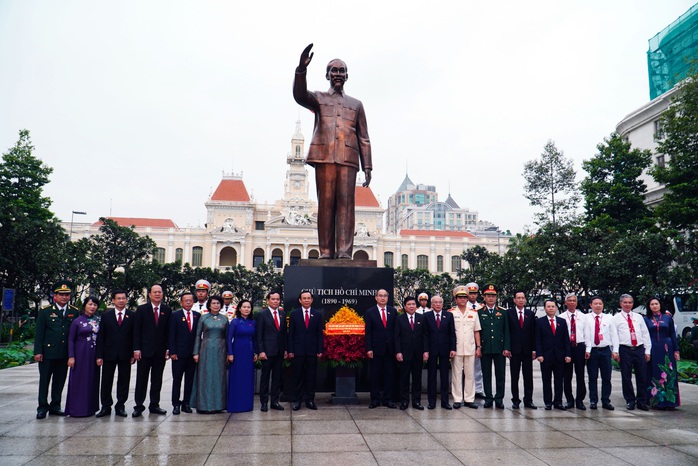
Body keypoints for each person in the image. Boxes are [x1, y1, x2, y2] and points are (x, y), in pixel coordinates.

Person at [293, 43, 372, 259]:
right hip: (324, 156)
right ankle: (326, 252)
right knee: (326, 204)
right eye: (334, 70)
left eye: (341, 71)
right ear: (327, 75)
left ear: (347, 75)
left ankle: (345, 252)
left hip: (348, 159)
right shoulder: (319, 98)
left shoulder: (356, 104)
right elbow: (299, 95)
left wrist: (368, 166)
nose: (338, 74)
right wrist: (301, 69)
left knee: (346, 205)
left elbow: (363, 137)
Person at [33, 281, 78, 419]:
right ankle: (42, 407)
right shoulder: (45, 311)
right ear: (55, 296)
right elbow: (39, 333)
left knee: (59, 380)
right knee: (45, 380)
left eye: (67, 295)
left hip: (64, 353)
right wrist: (37, 351)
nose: (64, 297)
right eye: (61, 294)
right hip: (48, 353)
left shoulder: (73, 311)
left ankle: (55, 405)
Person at [132, 284, 172, 417]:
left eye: (159, 292)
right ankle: (138, 405)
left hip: (160, 352)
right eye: (154, 292)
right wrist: (136, 348)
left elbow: (168, 332)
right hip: (144, 351)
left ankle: (154, 404)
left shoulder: (167, 310)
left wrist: (168, 348)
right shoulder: (142, 309)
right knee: (141, 379)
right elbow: (136, 331)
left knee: (157, 379)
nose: (157, 294)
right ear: (149, 294)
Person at [96, 289, 136, 418]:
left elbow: (134, 336)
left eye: (123, 298)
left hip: (125, 354)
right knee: (106, 381)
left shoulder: (132, 315)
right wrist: (99, 355)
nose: (121, 300)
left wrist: (133, 353)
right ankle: (106, 406)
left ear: (126, 300)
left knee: (124, 381)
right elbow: (101, 336)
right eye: (118, 298)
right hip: (109, 353)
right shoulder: (106, 316)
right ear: (113, 300)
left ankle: (120, 406)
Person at [612, 294, 652, 411]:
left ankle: (642, 401)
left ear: (632, 304)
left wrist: (647, 350)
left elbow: (645, 334)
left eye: (630, 302)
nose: (627, 304)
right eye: (625, 302)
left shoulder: (639, 317)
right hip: (625, 350)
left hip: (639, 349)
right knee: (626, 376)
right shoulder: (616, 318)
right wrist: (615, 351)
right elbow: (614, 335)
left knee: (642, 376)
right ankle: (630, 400)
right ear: (621, 304)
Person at [191, 295, 229, 413]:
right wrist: (196, 352)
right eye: (213, 303)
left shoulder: (225, 319)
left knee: (219, 377)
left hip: (220, 349)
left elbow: (227, 337)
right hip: (206, 348)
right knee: (205, 376)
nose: (216, 305)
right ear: (209, 305)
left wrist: (228, 353)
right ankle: (204, 405)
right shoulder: (203, 318)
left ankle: (219, 405)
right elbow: (197, 335)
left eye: (218, 303)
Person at [65, 296, 100, 417]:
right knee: (79, 381)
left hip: (94, 355)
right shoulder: (77, 321)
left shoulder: (98, 320)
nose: (92, 307)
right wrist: (71, 356)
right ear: (85, 305)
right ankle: (77, 409)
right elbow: (71, 339)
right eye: (90, 304)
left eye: (95, 305)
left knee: (92, 380)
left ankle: (90, 408)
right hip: (80, 355)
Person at [288, 291, 324, 411]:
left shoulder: (317, 314)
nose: (306, 300)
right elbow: (291, 334)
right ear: (300, 300)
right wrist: (290, 350)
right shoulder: (294, 314)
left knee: (311, 377)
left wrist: (320, 349)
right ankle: (297, 400)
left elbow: (320, 334)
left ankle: (310, 400)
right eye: (304, 298)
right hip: (297, 351)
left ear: (312, 300)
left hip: (312, 351)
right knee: (297, 376)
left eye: (309, 298)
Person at [477, 284, 511, 409]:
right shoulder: (479, 313)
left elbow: (507, 331)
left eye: (493, 296)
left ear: (496, 297)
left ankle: (499, 398)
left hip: (499, 348)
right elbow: (477, 331)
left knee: (500, 374)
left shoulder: (502, 312)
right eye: (488, 296)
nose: (491, 298)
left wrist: (506, 347)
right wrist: (478, 347)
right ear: (484, 297)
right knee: (486, 374)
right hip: (485, 348)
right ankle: (488, 398)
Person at [644, 297, 680, 409]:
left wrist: (676, 350)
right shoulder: (646, 319)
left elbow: (673, 335)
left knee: (668, 371)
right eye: (652, 304)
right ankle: (655, 401)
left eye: (656, 304)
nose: (654, 306)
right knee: (653, 371)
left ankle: (670, 401)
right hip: (653, 347)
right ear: (649, 307)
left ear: (660, 305)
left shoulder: (667, 318)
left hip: (667, 348)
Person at [536, 299, 572, 410]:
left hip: (559, 356)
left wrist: (568, 354)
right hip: (546, 356)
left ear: (556, 308)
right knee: (546, 380)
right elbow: (538, 340)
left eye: (553, 306)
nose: (551, 308)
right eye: (548, 306)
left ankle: (558, 402)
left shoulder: (562, 321)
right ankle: (548, 402)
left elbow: (566, 339)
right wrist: (539, 354)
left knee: (559, 380)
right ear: (545, 308)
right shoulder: (540, 322)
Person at [169, 292, 201, 414]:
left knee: (189, 380)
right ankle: (176, 404)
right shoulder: (175, 315)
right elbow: (171, 335)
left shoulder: (197, 316)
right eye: (185, 300)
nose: (188, 302)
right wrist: (172, 351)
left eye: (190, 300)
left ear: (193, 302)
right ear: (181, 302)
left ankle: (186, 403)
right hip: (178, 354)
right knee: (177, 380)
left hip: (192, 354)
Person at [450, 286, 482, 409]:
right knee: (456, 374)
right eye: (460, 297)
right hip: (456, 348)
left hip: (470, 347)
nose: (463, 299)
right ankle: (457, 399)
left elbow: (476, 331)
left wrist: (478, 347)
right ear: (456, 299)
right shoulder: (451, 313)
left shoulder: (473, 313)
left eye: (465, 297)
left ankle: (469, 399)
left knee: (470, 374)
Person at [365, 289, 398, 408]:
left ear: (388, 298)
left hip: (390, 349)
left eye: (385, 296)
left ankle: (388, 399)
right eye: (380, 296)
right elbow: (368, 332)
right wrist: (369, 348)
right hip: (376, 349)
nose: (383, 298)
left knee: (389, 375)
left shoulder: (393, 311)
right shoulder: (370, 312)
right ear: (376, 297)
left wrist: (396, 349)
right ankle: (375, 399)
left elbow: (396, 331)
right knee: (375, 375)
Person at [394, 296, 429, 410]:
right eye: (409, 304)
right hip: (404, 354)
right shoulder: (399, 319)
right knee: (404, 378)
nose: (411, 306)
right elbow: (397, 337)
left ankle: (416, 401)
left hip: (418, 353)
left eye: (413, 304)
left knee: (417, 379)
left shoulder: (421, 318)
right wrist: (398, 352)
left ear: (416, 305)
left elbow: (425, 336)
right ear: (405, 306)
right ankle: (404, 401)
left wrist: (425, 351)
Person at [256, 290, 287, 411]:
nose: (275, 301)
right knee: (265, 378)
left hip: (279, 351)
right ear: (268, 300)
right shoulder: (262, 314)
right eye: (273, 299)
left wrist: (285, 349)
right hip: (267, 352)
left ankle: (275, 401)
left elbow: (284, 334)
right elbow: (259, 334)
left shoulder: (282, 314)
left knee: (277, 378)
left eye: (278, 299)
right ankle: (264, 402)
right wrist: (261, 351)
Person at [584, 296, 617, 410]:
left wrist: (615, 350)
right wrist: (587, 350)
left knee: (606, 377)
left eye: (600, 303)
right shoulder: (586, 318)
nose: (598, 305)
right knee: (592, 377)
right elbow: (586, 335)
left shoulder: (609, 318)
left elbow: (614, 335)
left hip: (605, 350)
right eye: (595, 303)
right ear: (591, 305)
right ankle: (593, 401)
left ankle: (606, 400)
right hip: (593, 351)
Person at [424, 295, 456, 409]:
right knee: (431, 376)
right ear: (431, 304)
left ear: (442, 304)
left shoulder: (448, 315)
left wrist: (453, 348)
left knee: (444, 376)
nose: (438, 304)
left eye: (440, 302)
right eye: (435, 302)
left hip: (445, 349)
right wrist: (425, 350)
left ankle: (445, 402)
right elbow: (425, 335)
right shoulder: (426, 316)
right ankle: (431, 402)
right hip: (431, 350)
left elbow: (452, 334)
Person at [507, 290, 537, 409]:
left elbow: (534, 333)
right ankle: (515, 400)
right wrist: (507, 348)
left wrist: (534, 350)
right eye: (518, 298)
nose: (520, 300)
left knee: (528, 376)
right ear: (514, 300)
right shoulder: (509, 313)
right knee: (515, 376)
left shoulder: (530, 314)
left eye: (522, 298)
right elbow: (507, 332)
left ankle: (528, 400)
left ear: (525, 300)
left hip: (527, 350)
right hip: (514, 351)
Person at [226, 299, 258, 413]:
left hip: (248, 352)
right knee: (236, 377)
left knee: (247, 378)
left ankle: (246, 405)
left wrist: (256, 352)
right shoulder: (235, 322)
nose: (246, 309)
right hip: (237, 351)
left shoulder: (252, 322)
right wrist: (230, 353)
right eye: (244, 307)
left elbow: (254, 339)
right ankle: (235, 404)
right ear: (239, 308)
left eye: (248, 307)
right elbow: (229, 338)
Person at [560, 293, 587, 410]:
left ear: (576, 302)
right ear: (565, 303)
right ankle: (569, 400)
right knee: (567, 375)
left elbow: (587, 334)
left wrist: (588, 349)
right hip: (567, 348)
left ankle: (580, 400)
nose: (571, 302)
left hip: (580, 347)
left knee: (580, 374)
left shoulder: (583, 317)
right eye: (569, 300)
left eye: (573, 300)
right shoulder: (561, 317)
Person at [465, 283, 486, 398]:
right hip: (467, 340)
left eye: (475, 293)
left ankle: (478, 389)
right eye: (471, 293)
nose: (473, 296)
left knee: (478, 367)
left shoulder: (481, 307)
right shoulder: (463, 307)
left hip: (479, 341)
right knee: (466, 367)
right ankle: (468, 390)